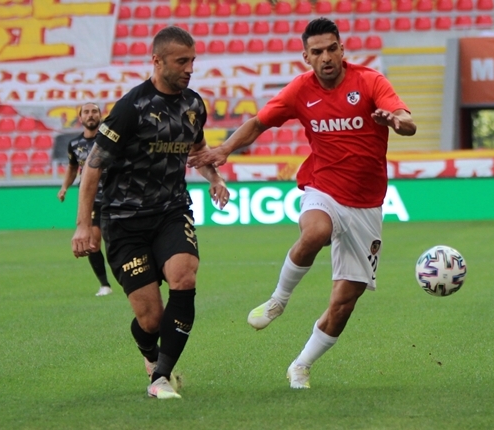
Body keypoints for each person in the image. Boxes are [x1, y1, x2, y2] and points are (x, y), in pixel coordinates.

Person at [188, 18, 416, 389]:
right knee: (316, 231)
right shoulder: (300, 90)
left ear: (342, 50)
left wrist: (395, 121)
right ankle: (278, 300)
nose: (325, 57)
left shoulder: (370, 81)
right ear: (306, 57)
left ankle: (301, 365)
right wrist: (225, 149)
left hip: (367, 204)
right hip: (322, 187)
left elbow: (408, 122)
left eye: (331, 49)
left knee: (343, 303)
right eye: (317, 52)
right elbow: (259, 123)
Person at [71, 26, 230, 400]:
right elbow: (92, 167)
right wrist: (83, 225)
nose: (190, 68)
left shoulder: (194, 105)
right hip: (124, 222)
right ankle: (149, 352)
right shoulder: (131, 108)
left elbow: (197, 152)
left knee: (184, 275)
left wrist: (214, 177)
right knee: (151, 320)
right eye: (182, 61)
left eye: (193, 60)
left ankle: (160, 378)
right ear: (157, 61)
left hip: (171, 210)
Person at [58, 102, 113, 297]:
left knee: (115, 242)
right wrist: (64, 187)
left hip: (114, 198)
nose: (90, 115)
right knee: (92, 243)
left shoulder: (109, 140)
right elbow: (73, 168)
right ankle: (105, 284)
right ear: (80, 117)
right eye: (86, 112)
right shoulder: (74, 144)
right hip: (92, 200)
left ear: (100, 115)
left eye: (94, 112)